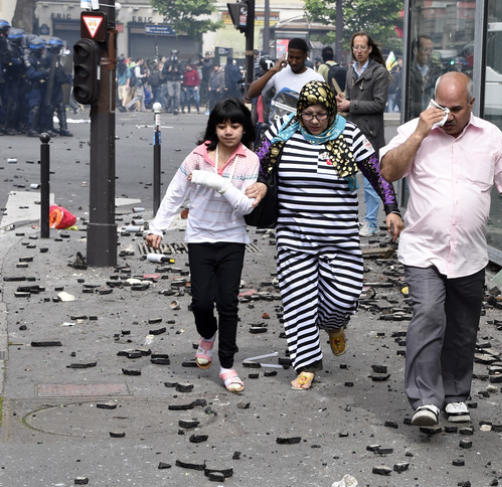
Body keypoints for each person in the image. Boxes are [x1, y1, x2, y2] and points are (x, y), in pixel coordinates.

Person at [380, 72, 502, 426]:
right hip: (423, 250)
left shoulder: (491, 137)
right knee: (429, 314)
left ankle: (454, 394)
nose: (448, 116)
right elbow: (388, 171)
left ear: (471, 104)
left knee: (462, 326)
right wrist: (421, 133)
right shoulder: (415, 130)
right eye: (442, 107)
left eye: (456, 108)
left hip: (469, 253)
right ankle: (425, 399)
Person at [244, 81, 403, 390]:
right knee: (298, 301)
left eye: (320, 114)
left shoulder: (350, 135)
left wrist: (392, 209)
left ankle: (333, 325)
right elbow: (258, 163)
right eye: (307, 114)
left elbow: (376, 175)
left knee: (343, 299)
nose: (313, 120)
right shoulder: (283, 129)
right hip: (294, 237)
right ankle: (306, 361)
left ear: (332, 111)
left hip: (340, 239)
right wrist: (262, 182)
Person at [145, 98, 260, 393]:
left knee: (228, 304)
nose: (228, 131)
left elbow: (246, 207)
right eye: (222, 125)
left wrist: (217, 183)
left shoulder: (250, 160)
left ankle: (227, 366)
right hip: (199, 238)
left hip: (233, 239)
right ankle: (207, 334)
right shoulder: (198, 156)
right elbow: (175, 192)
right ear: (214, 128)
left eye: (235, 125)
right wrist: (158, 227)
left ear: (244, 128)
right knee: (200, 302)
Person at [336, 32, 390, 238]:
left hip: (371, 133)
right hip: (351, 130)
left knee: (369, 181)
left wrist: (351, 104)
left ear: (369, 49)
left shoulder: (379, 73)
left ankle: (371, 223)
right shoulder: (351, 71)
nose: (358, 51)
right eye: (355, 47)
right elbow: (350, 101)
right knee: (346, 176)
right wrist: (343, 104)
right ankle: (350, 219)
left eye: (362, 47)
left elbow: (379, 104)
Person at [245, 38, 322, 102]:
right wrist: (273, 70)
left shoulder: (316, 78)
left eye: (297, 58)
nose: (294, 62)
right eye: (291, 57)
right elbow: (251, 93)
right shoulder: (278, 74)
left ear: (305, 56)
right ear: (287, 54)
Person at [406, 35, 442, 119]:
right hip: (413, 119)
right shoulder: (408, 72)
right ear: (415, 51)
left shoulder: (436, 71)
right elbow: (404, 101)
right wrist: (426, 106)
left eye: (431, 50)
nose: (429, 53)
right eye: (426, 50)